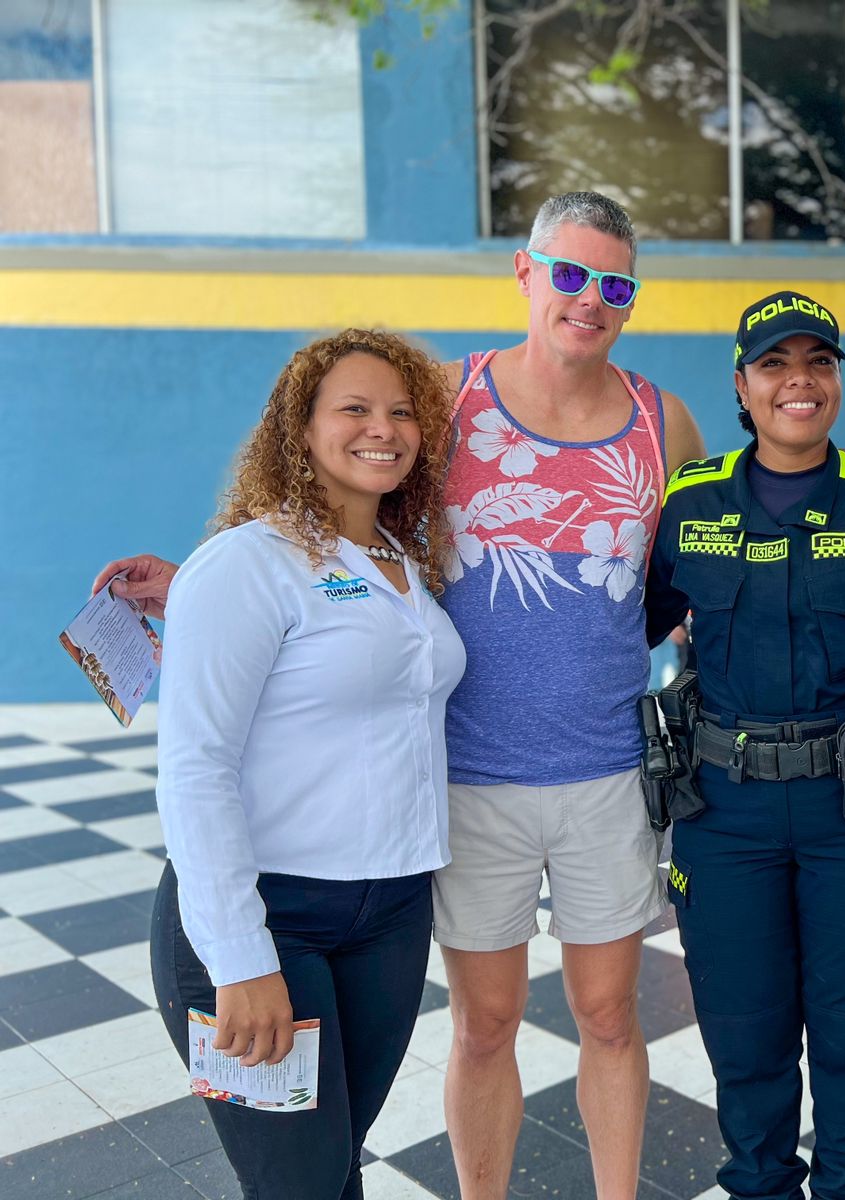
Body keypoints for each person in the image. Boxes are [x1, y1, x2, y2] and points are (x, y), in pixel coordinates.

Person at [97, 191, 708, 1200]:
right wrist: (211, 582)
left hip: (599, 769)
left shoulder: (661, 421)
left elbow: (703, 557)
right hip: (465, 787)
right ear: (525, 272)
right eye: (568, 273)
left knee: (608, 1017)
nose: (588, 299)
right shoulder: (446, 402)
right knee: (483, 1028)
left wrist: (832, 484)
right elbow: (316, 515)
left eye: (614, 284)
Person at [642, 290, 845, 1200]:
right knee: (746, 1045)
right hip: (724, 813)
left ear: (836, 381)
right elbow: (616, 632)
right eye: (775, 365)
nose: (799, 382)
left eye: (818, 363)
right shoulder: (686, 506)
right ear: (742, 385)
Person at [150, 328, 466, 1199]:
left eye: (403, 411)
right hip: (266, 917)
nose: (384, 428)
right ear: (300, 427)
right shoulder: (245, 563)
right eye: (355, 409)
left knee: (333, 1167)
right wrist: (239, 958)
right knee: (296, 1181)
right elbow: (195, 767)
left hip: (391, 914)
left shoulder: (400, 563)